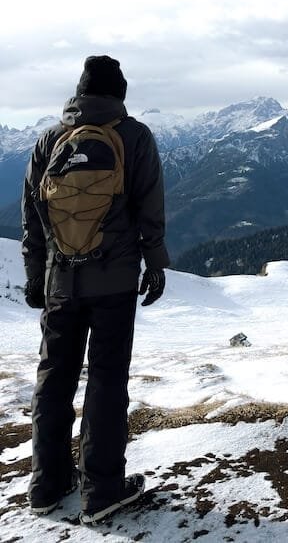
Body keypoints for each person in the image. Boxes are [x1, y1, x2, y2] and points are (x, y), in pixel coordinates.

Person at [21, 55, 169, 524]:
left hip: (60, 282)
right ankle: (102, 490)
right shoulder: (134, 135)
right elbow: (150, 207)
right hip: (115, 280)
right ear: (119, 93)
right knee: (106, 379)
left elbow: (33, 217)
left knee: (53, 379)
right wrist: (156, 264)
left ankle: (46, 484)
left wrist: (34, 275)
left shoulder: (50, 139)